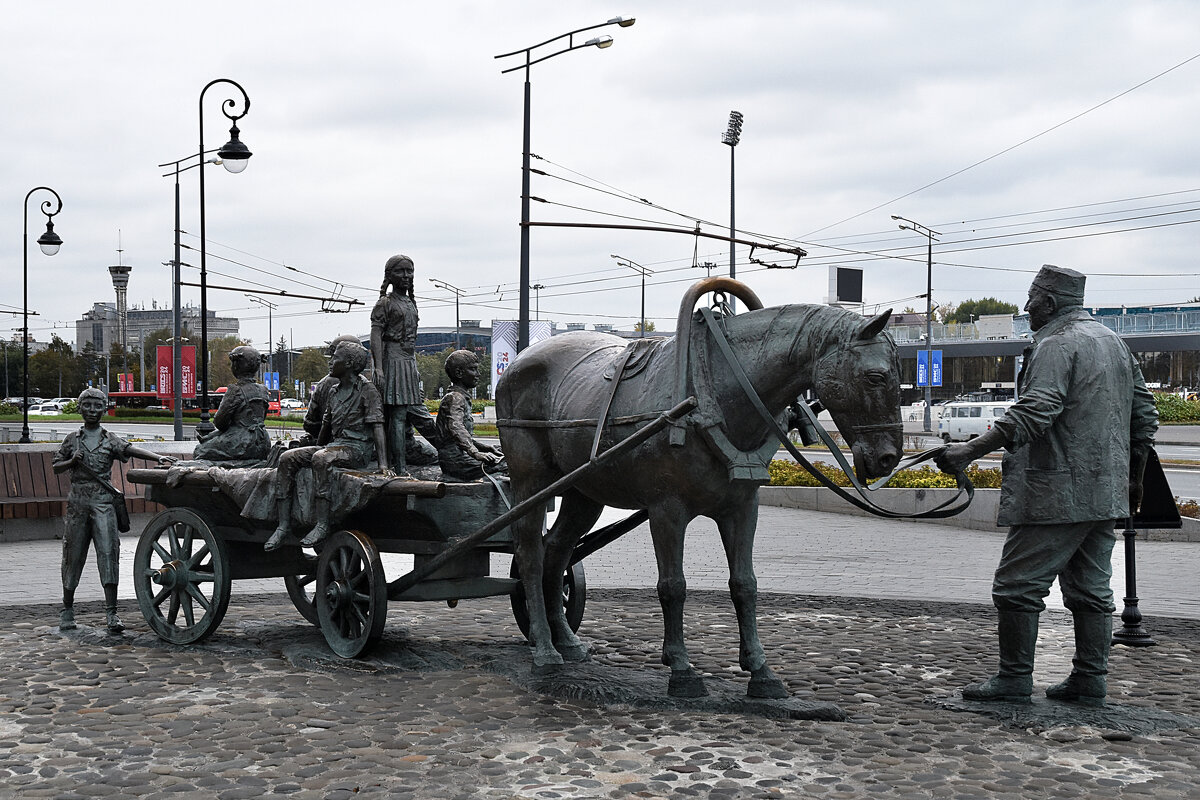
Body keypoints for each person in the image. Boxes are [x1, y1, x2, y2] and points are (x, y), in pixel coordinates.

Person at [936, 264, 1157, 706]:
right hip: (1105, 490)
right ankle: (1090, 680)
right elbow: (1144, 416)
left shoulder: (1057, 344)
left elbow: (1036, 410)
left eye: (1031, 299)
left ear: (1050, 302)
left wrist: (967, 451)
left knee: (1017, 585)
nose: (1026, 307)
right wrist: (1134, 480)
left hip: (1055, 491)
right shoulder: (1112, 342)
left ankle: (1014, 678)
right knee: (1091, 589)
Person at [53, 387, 177, 631]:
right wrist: (71, 460)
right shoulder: (71, 439)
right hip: (78, 502)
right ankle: (67, 609)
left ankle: (112, 614)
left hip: (103, 503)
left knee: (108, 554)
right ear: (79, 408)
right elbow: (56, 466)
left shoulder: (109, 439)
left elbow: (129, 449)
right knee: (73, 555)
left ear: (104, 409)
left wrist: (157, 458)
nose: (91, 410)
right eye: (86, 405)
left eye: (97, 406)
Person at [265, 341, 393, 551]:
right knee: (288, 458)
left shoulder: (367, 390)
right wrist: (312, 449)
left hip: (356, 450)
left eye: (335, 358)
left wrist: (383, 465)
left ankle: (322, 524)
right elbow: (325, 428)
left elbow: (378, 427)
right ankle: (284, 525)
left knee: (321, 458)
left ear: (350, 363)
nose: (331, 362)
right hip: (334, 446)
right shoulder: (333, 391)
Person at [370, 254, 439, 476]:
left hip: (408, 362)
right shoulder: (385, 303)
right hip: (393, 360)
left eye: (410, 271)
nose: (407, 276)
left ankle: (400, 461)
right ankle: (399, 468)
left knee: (406, 414)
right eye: (401, 271)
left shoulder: (410, 302)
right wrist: (378, 368)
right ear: (390, 275)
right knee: (397, 416)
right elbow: (375, 337)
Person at [193, 345, 271, 463]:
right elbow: (261, 419)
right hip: (263, 442)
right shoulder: (263, 390)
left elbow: (220, 423)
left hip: (242, 443)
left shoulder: (235, 390)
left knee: (200, 450)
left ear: (236, 366)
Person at [435, 349, 503, 481]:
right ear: (459, 373)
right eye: (473, 369)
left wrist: (485, 447)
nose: (478, 374)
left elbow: (457, 436)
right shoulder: (455, 398)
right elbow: (456, 428)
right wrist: (475, 453)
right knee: (507, 465)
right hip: (455, 462)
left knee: (502, 453)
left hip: (460, 456)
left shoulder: (460, 397)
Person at [300, 334, 363, 445]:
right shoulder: (366, 384)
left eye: (335, 357)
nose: (331, 362)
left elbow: (310, 423)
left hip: (333, 444)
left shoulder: (326, 384)